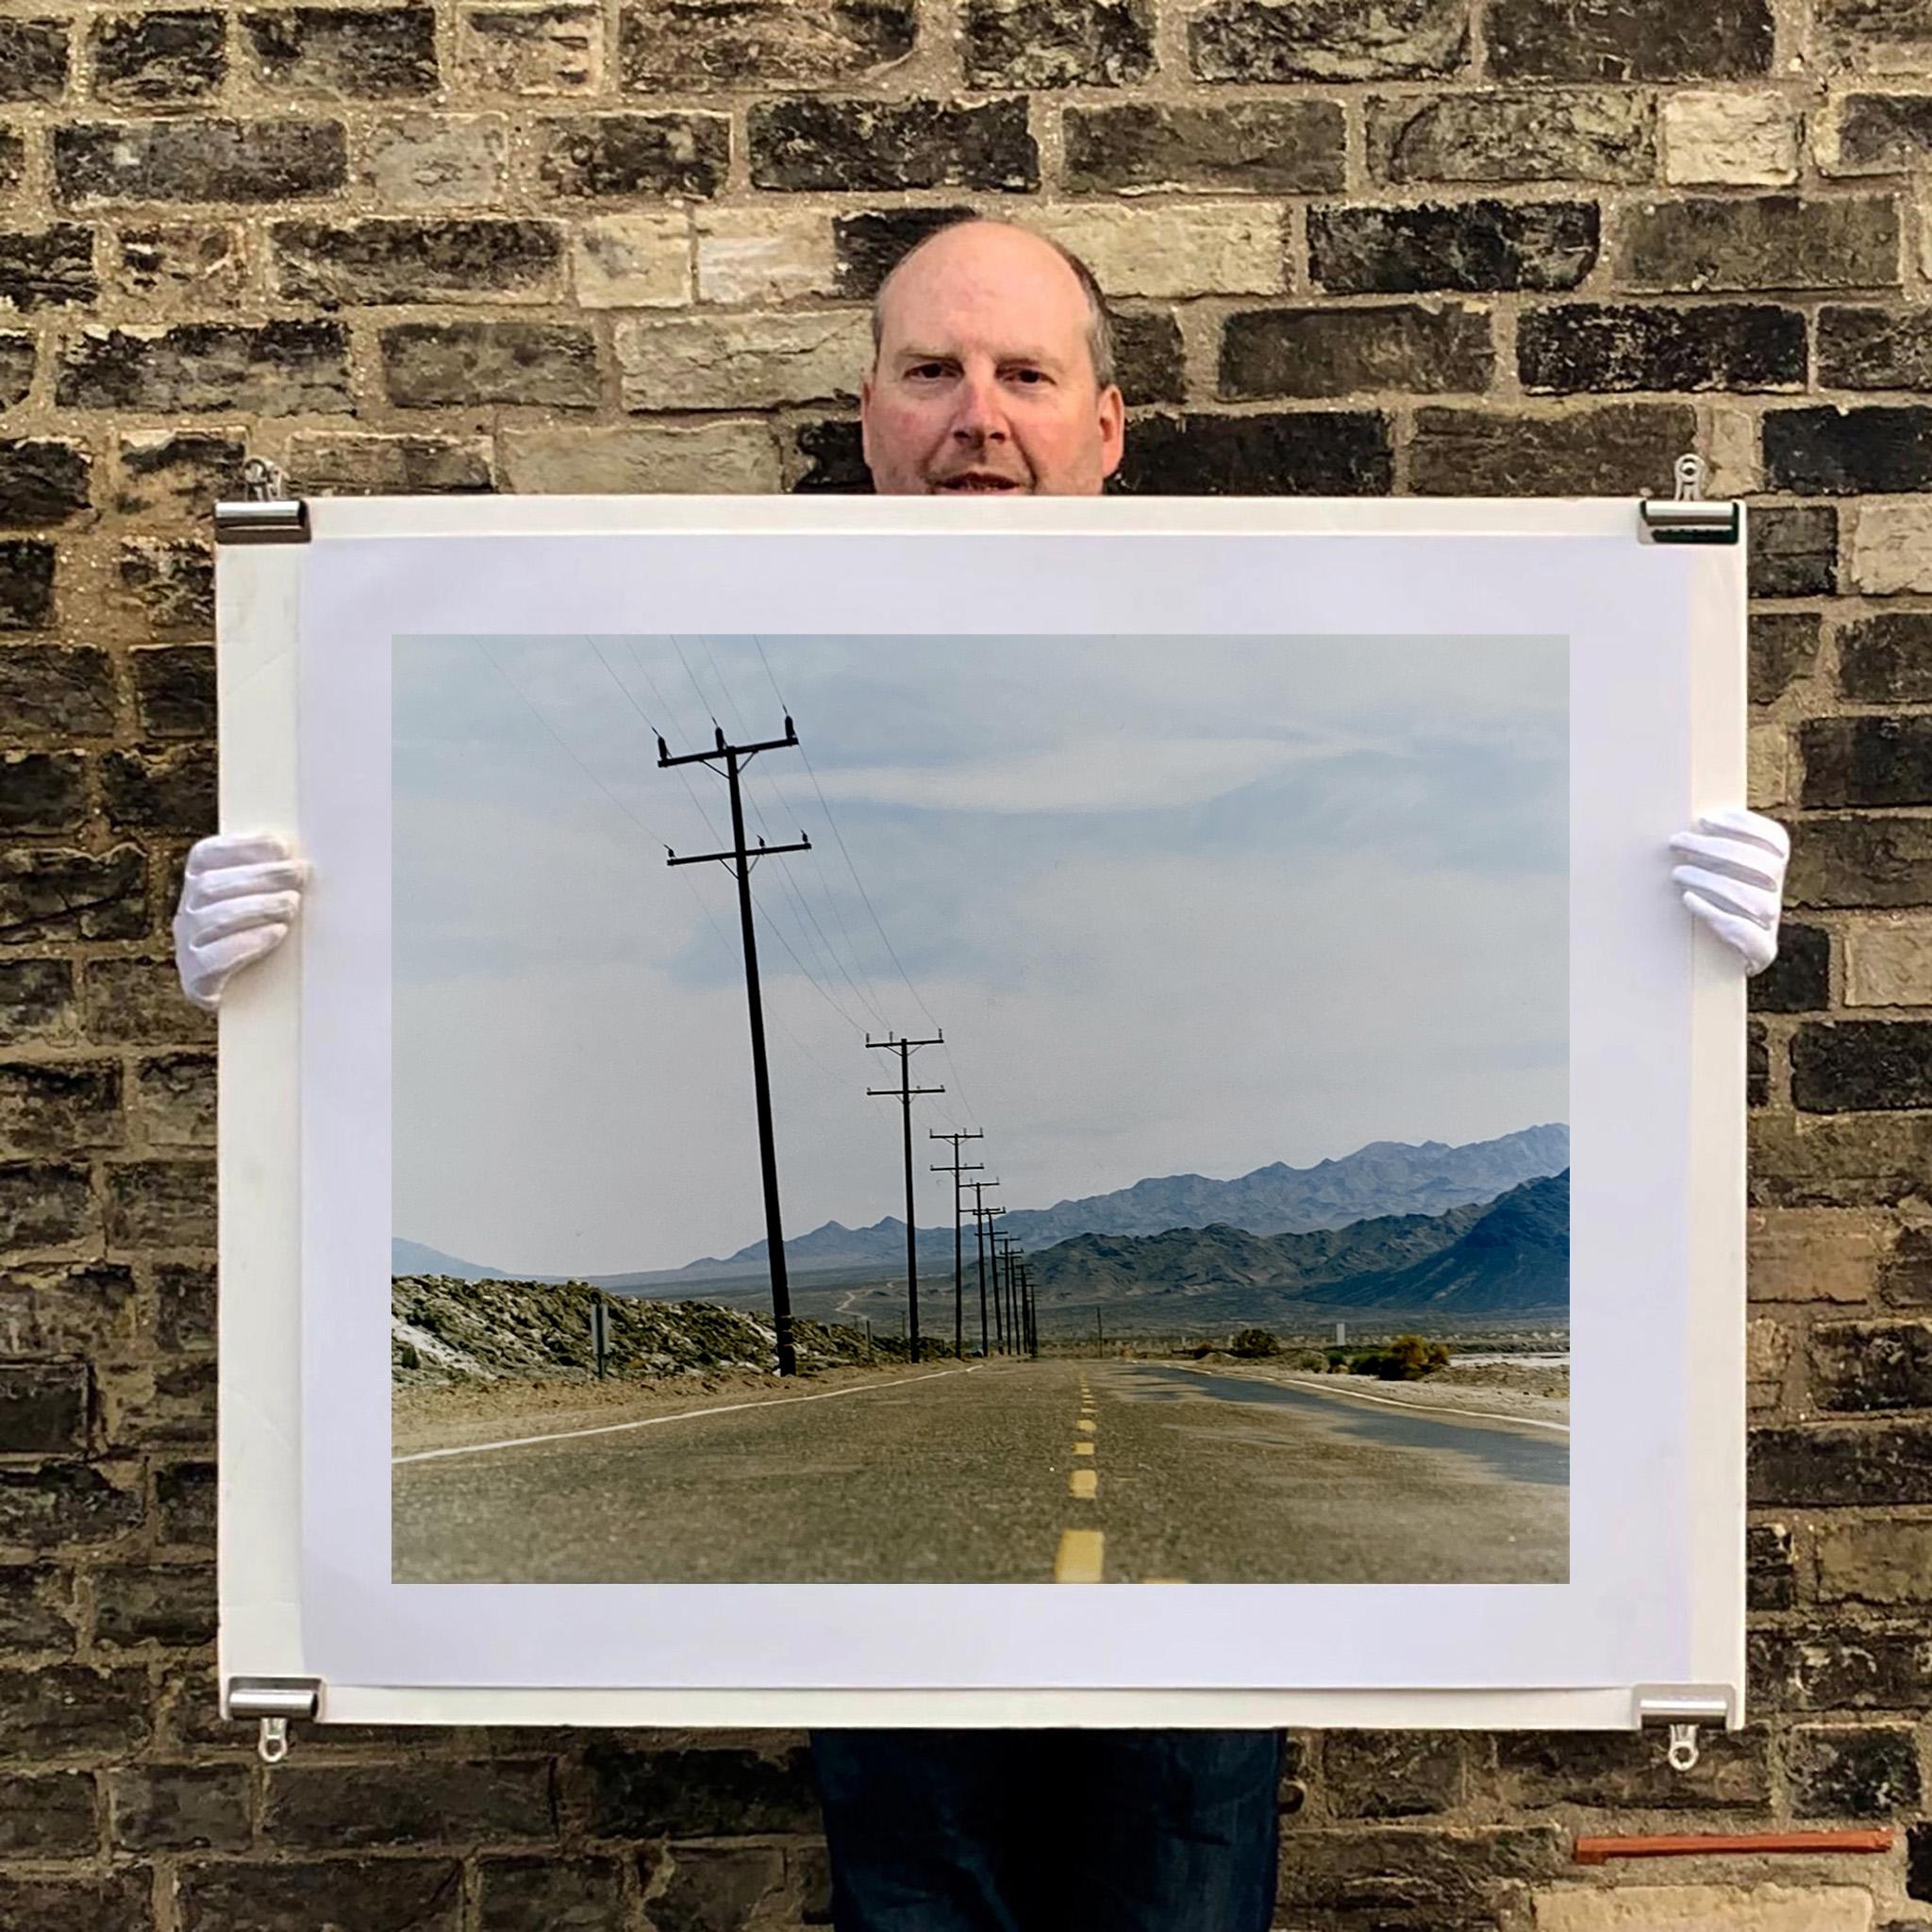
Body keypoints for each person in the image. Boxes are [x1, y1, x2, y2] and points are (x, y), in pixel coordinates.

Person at [175, 217, 1790, 1930]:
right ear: (865, 410)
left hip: (1199, 1660)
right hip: (896, 1634)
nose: (977, 415)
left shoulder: (1286, 649)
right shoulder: (724, 627)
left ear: (1107, 424)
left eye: (1026, 374)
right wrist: (289, 985)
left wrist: (1667, 956)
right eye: (932, 371)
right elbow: (462, 974)